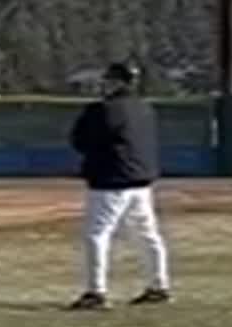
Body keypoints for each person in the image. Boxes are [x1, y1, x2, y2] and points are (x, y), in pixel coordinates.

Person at [67, 61, 172, 310]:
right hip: (141, 181)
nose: (104, 85)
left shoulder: (103, 110)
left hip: (110, 180)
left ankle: (96, 292)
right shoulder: (145, 108)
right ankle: (159, 285)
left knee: (97, 234)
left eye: (108, 80)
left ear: (117, 82)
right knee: (147, 234)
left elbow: (80, 140)